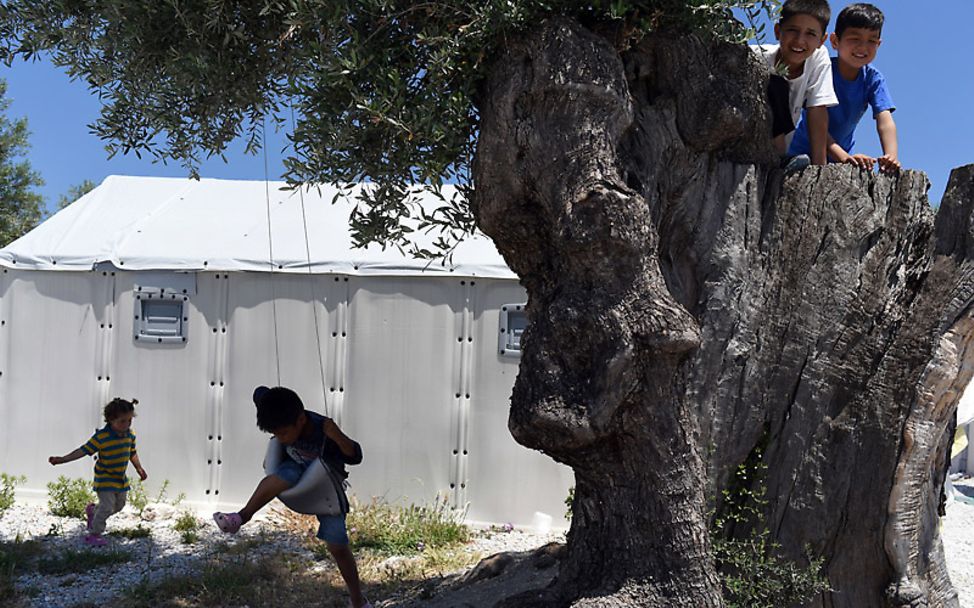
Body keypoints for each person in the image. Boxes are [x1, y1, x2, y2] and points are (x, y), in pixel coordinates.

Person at [212, 386, 371, 608]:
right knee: (282, 475)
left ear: (300, 420)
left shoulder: (323, 430)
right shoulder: (283, 419)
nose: (282, 439)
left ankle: (358, 601)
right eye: (276, 435)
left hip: (325, 485)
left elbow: (356, 456)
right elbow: (259, 392)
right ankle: (240, 517)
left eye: (284, 433)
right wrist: (265, 400)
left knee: (338, 546)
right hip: (295, 470)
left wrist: (337, 435)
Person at [788, 3, 898, 173]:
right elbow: (816, 120)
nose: (863, 47)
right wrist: (842, 156)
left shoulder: (873, 79)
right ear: (835, 41)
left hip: (842, 160)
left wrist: (890, 156)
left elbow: (885, 120)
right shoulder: (822, 70)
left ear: (879, 44)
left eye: (871, 41)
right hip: (800, 151)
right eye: (855, 39)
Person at [48, 397, 147, 547]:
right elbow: (83, 450)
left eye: (129, 421)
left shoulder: (129, 435)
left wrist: (139, 468)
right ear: (110, 420)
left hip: (120, 479)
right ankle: (94, 534)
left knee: (119, 505)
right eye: (122, 421)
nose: (126, 424)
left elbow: (132, 452)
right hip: (105, 478)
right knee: (107, 506)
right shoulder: (101, 437)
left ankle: (93, 512)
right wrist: (62, 459)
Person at [752, 0, 838, 171]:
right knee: (776, 84)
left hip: (779, 156)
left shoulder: (818, 58)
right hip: (750, 144)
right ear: (777, 31)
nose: (800, 40)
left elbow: (817, 110)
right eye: (793, 30)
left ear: (822, 40)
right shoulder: (755, 57)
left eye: (810, 34)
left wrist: (819, 170)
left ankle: (779, 158)